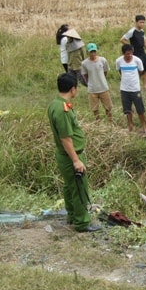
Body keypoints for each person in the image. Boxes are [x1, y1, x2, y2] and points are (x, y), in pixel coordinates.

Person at [48, 74, 100, 233]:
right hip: (71, 155)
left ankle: (72, 215)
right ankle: (82, 223)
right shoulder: (62, 110)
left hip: (65, 156)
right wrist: (76, 160)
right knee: (78, 188)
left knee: (70, 187)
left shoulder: (55, 104)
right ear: (73, 89)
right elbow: (66, 138)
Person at [115, 44, 146, 133]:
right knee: (127, 109)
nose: (129, 55)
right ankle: (130, 125)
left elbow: (141, 71)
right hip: (124, 89)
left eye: (131, 53)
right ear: (123, 53)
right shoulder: (119, 61)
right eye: (127, 54)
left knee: (140, 108)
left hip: (135, 88)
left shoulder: (137, 60)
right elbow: (119, 71)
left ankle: (144, 126)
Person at [80, 43, 113, 122]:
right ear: (88, 52)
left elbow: (105, 71)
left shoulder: (102, 60)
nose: (93, 53)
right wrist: (91, 82)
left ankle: (110, 122)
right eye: (91, 52)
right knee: (95, 109)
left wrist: (101, 79)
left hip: (103, 87)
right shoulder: (84, 63)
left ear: (96, 51)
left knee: (108, 107)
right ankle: (98, 123)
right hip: (92, 89)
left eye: (94, 51)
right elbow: (85, 75)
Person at [120, 15, 146, 81]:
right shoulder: (132, 31)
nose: (142, 24)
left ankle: (144, 85)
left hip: (142, 52)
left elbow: (145, 42)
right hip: (135, 53)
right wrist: (130, 46)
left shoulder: (142, 31)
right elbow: (122, 39)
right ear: (136, 22)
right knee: (138, 69)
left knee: (145, 69)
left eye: (143, 22)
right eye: (141, 22)